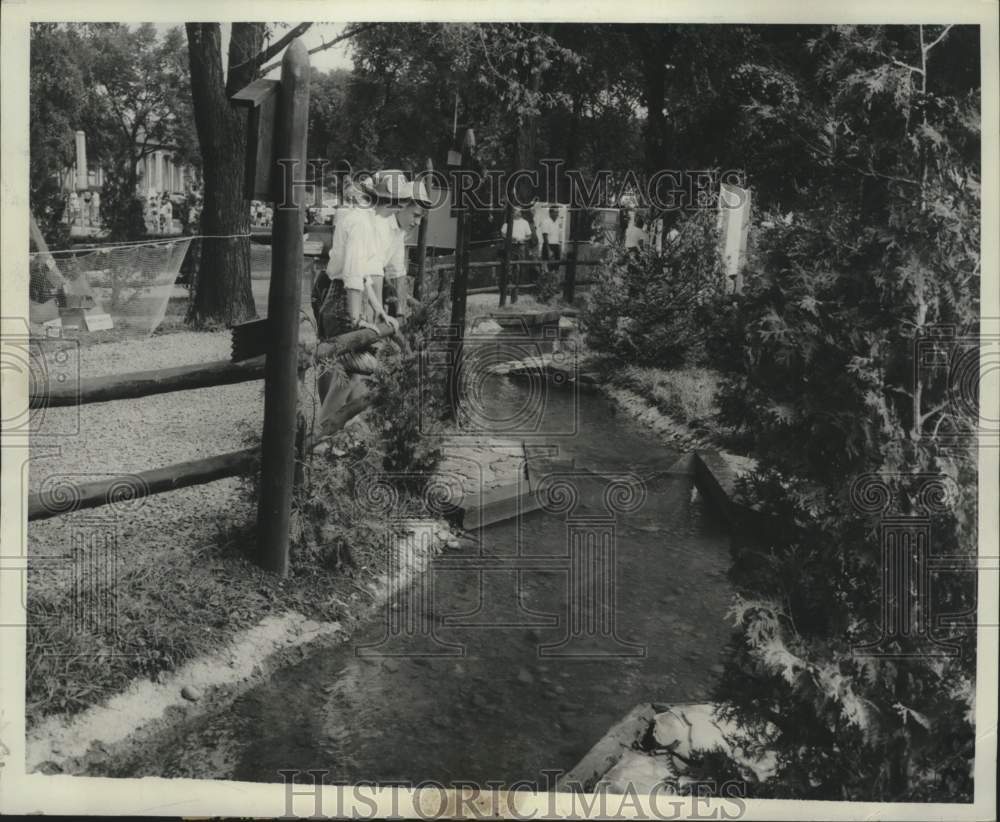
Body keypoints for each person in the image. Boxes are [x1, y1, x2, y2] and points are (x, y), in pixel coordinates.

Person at [370, 170, 430, 319]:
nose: (417, 223)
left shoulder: (399, 231)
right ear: (402, 206)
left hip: (366, 290)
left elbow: (397, 273)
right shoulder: (380, 224)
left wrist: (400, 312)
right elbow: (374, 273)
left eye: (420, 218)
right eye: (415, 215)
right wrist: (381, 314)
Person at [537, 205, 564, 274]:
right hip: (548, 246)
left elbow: (559, 237)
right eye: (555, 212)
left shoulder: (558, 223)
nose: (557, 214)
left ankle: (554, 279)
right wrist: (548, 250)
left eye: (558, 212)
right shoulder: (546, 222)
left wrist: (560, 249)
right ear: (550, 213)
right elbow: (545, 237)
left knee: (556, 267)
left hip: (556, 246)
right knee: (547, 268)